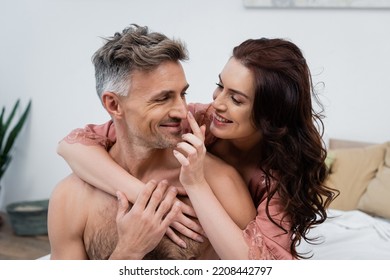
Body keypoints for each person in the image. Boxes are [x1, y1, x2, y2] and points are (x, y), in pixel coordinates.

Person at [57, 35, 337, 259]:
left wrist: (195, 183)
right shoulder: (197, 119)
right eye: (219, 86)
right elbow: (72, 145)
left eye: (237, 99)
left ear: (270, 117)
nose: (217, 103)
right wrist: (137, 222)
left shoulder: (251, 180)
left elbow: (258, 266)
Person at [48, 24, 256, 260]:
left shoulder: (219, 183)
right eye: (163, 98)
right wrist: (128, 252)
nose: (181, 110)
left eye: (182, 94)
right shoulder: (71, 197)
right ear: (114, 105)